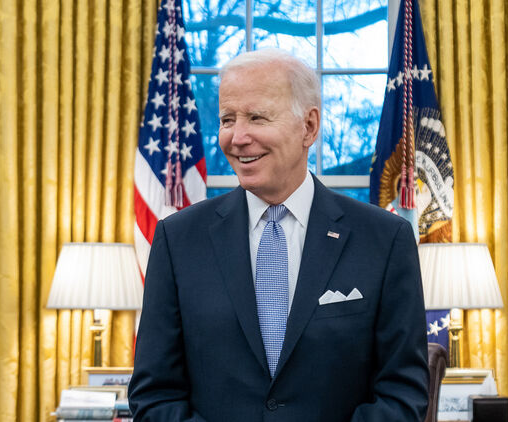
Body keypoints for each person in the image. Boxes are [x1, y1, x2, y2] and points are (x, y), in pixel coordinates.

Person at [128, 49, 429, 421]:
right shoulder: (177, 240)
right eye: (227, 119)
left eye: (257, 117)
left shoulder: (384, 239)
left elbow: (403, 393)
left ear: (309, 127)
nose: (237, 137)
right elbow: (154, 396)